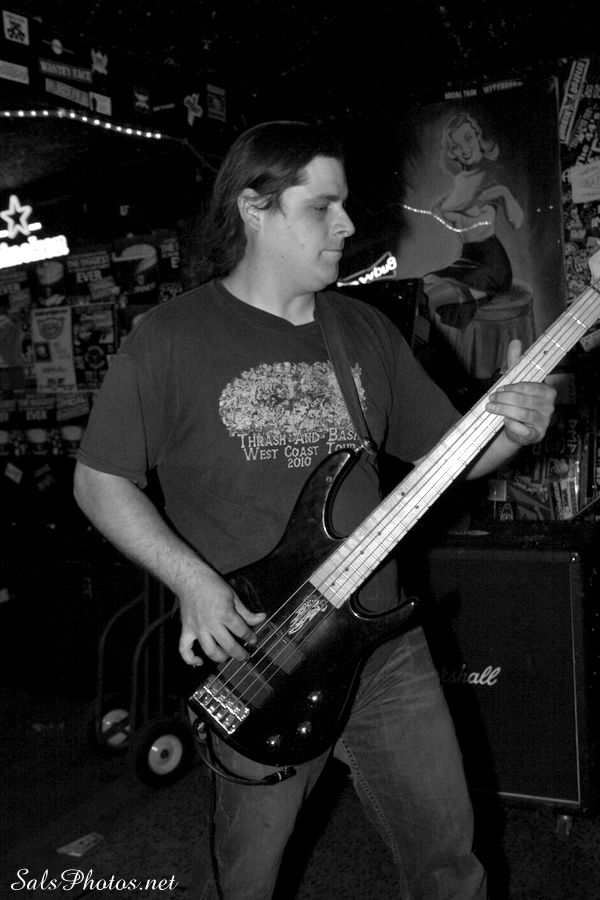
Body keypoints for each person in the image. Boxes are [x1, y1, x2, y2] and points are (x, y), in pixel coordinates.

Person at [73, 120, 556, 900]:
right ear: (254, 208)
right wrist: (193, 583)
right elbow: (99, 481)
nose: (347, 224)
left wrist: (514, 430)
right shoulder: (169, 339)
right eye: (321, 206)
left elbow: (450, 458)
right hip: (264, 653)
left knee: (449, 866)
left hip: (384, 645)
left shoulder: (362, 329)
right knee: (248, 880)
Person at [423, 111, 525, 329]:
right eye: (456, 146)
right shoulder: (461, 180)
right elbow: (453, 220)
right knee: (426, 281)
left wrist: (502, 193)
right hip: (467, 259)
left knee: (435, 296)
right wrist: (443, 209)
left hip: (491, 265)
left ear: (479, 136)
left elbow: (517, 221)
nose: (465, 149)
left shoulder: (494, 173)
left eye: (468, 138)